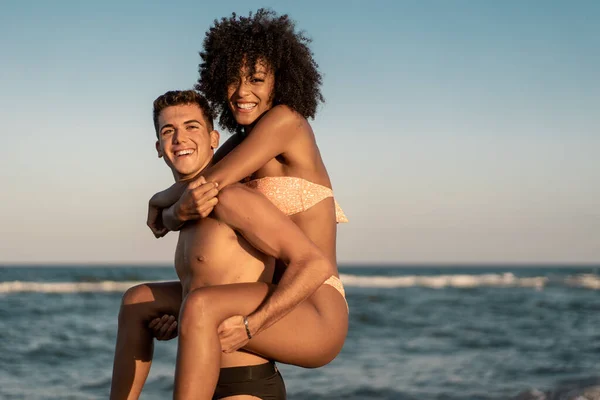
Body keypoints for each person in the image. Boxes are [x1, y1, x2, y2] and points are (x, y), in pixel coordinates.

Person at [145, 9, 349, 400]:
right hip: (274, 295)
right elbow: (196, 185)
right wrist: (167, 209)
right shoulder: (245, 141)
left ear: (280, 81)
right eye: (234, 79)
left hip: (315, 304)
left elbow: (209, 182)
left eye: (256, 79)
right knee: (139, 302)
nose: (242, 92)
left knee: (201, 306)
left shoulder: (287, 122)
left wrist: (162, 206)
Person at [111, 90, 311, 399]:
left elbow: (313, 263)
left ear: (214, 138)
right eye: (169, 131)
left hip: (244, 383)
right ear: (158, 148)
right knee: (136, 300)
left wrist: (253, 325)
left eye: (192, 127)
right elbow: (208, 285)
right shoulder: (188, 210)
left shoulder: (233, 198)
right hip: (199, 374)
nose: (180, 138)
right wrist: (176, 318)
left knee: (198, 303)